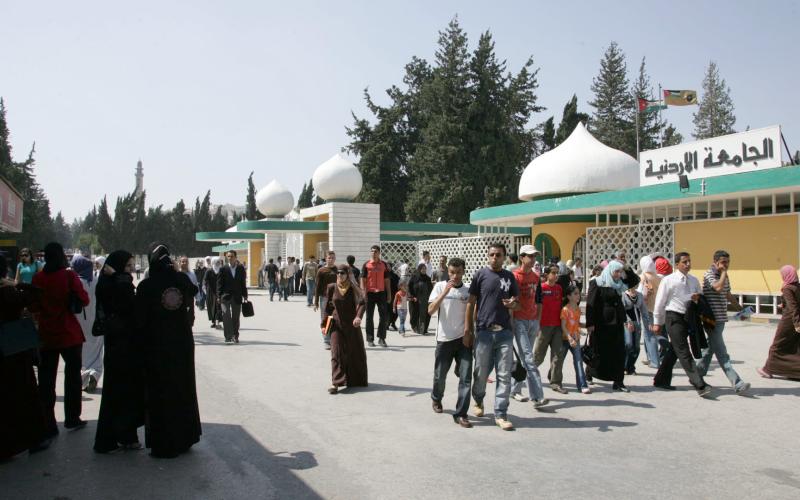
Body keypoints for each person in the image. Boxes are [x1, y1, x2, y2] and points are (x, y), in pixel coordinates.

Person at [135, 244, 201, 458]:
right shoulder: (181, 280)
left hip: (156, 346)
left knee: (160, 391)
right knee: (182, 388)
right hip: (181, 344)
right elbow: (193, 291)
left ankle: (164, 443)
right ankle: (185, 437)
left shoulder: (146, 286)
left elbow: (139, 319)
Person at [32, 242, 90, 436]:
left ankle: (48, 422)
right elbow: (84, 299)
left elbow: (33, 306)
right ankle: (72, 418)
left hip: (46, 333)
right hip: (68, 332)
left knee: (46, 380)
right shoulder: (68, 275)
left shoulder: (38, 278)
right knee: (72, 378)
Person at [93, 250, 145, 453]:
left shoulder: (115, 282)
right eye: (127, 266)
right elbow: (129, 304)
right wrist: (118, 277)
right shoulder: (113, 284)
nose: (130, 270)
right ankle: (113, 438)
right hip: (120, 345)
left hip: (122, 344)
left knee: (124, 392)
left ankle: (125, 436)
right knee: (119, 392)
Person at [0, 255, 51, 458]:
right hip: (14, 350)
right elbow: (37, 294)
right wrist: (15, 284)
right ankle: (34, 439)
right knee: (25, 395)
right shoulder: (8, 293)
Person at [467, 243, 519, 431]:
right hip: (484, 332)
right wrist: (469, 330)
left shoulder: (509, 277)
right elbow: (471, 303)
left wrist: (512, 304)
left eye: (498, 255)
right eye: (492, 254)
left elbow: (516, 303)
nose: (495, 258)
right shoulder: (480, 275)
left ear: (504, 257)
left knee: (504, 375)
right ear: (488, 256)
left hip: (504, 333)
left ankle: (501, 413)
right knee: (481, 373)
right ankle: (478, 399)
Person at [652, 252, 712, 397]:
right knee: (683, 350)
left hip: (688, 317)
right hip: (673, 317)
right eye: (684, 262)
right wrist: (657, 322)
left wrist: (697, 299)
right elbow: (660, 302)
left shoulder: (693, 280)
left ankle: (661, 379)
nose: (688, 264)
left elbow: (700, 297)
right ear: (677, 264)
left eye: (689, 261)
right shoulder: (669, 280)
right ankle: (699, 383)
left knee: (675, 350)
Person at [428, 258, 473, 428]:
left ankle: (461, 414)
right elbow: (430, 310)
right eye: (452, 272)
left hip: (463, 340)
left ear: (463, 272)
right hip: (444, 339)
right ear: (448, 271)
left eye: (458, 272)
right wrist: (445, 292)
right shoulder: (440, 286)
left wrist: (470, 334)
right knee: (440, 375)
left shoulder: (468, 289)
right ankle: (436, 398)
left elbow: (473, 313)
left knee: (466, 378)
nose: (455, 276)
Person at [697, 250, 750, 394]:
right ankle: (737, 383)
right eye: (723, 262)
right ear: (715, 262)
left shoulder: (724, 275)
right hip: (711, 319)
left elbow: (727, 294)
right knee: (722, 352)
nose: (726, 265)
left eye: (728, 262)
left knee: (710, 349)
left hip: (721, 318)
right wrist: (724, 273)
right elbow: (718, 287)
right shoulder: (709, 274)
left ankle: (696, 375)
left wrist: (740, 309)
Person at [509, 245, 549, 407]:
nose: (533, 259)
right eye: (530, 256)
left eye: (534, 256)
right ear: (522, 257)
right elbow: (510, 301)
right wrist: (511, 323)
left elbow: (539, 300)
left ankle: (514, 390)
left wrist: (538, 321)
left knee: (525, 359)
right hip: (519, 321)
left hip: (532, 321)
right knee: (529, 358)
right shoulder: (514, 276)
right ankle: (537, 396)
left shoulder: (536, 277)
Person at [322, 264, 368, 394]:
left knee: (354, 352)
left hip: (352, 325)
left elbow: (362, 303)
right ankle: (335, 383)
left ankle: (354, 379)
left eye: (342, 273)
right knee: (336, 352)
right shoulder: (331, 287)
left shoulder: (354, 288)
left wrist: (358, 317)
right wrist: (324, 325)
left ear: (348, 274)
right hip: (336, 325)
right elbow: (327, 309)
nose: (339, 275)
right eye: (338, 273)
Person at [585, 260, 629, 392]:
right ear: (609, 270)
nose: (618, 274)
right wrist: (590, 323)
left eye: (620, 271)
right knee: (599, 351)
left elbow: (633, 280)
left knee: (619, 352)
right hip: (602, 323)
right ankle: (589, 372)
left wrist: (625, 267)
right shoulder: (597, 282)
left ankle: (618, 381)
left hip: (617, 323)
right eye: (616, 271)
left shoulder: (619, 284)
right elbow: (590, 304)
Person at [758, 265, 800, 379]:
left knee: (777, 346)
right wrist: (783, 304)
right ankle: (794, 372)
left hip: (789, 321)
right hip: (796, 319)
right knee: (793, 346)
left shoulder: (787, 288)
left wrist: (796, 323)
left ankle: (767, 370)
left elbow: (793, 306)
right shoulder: (797, 286)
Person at [533, 265, 567, 394]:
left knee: (558, 356)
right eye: (553, 272)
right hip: (543, 327)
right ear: (547, 274)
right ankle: (525, 377)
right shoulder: (541, 288)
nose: (556, 275)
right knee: (538, 356)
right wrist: (536, 324)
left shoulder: (559, 288)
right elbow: (535, 306)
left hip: (557, 326)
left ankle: (556, 382)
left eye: (557, 273)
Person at [72, 255, 101, 393]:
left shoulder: (75, 282)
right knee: (96, 352)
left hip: (78, 322)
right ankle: (94, 373)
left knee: (81, 352)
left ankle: (83, 377)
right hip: (95, 322)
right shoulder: (96, 280)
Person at [360, 245, 391, 347]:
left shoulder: (384, 265)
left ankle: (382, 338)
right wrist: (363, 293)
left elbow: (387, 280)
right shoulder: (366, 265)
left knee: (384, 316)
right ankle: (370, 339)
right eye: (372, 251)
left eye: (376, 251)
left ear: (379, 253)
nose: (373, 253)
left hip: (381, 293)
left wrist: (389, 294)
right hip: (370, 293)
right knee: (369, 317)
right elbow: (362, 280)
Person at [562, 285, 590, 394]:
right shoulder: (565, 310)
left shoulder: (577, 309)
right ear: (569, 296)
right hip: (565, 339)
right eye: (575, 293)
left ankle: (582, 385)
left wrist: (588, 326)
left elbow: (577, 324)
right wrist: (569, 338)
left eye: (578, 293)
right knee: (559, 361)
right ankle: (553, 377)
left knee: (578, 362)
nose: (578, 296)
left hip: (576, 339)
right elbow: (563, 326)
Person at [217, 250, 247, 343]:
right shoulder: (223, 269)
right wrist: (218, 296)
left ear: (236, 257)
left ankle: (235, 336)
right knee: (226, 316)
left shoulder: (241, 268)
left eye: (232, 256)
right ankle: (228, 336)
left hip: (237, 296)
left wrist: (245, 295)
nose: (230, 258)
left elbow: (243, 283)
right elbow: (219, 283)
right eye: (228, 256)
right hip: (225, 297)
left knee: (236, 318)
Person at [638, 255, 663, 368]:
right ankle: (650, 357)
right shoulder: (658, 277)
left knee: (649, 334)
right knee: (652, 333)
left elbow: (639, 293)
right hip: (657, 308)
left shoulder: (643, 277)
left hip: (647, 308)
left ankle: (654, 361)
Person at [622, 284, 650, 375]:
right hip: (627, 323)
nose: (634, 286)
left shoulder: (640, 295)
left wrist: (648, 324)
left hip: (637, 323)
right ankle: (624, 366)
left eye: (635, 284)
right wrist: (627, 322)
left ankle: (631, 367)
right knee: (628, 344)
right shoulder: (623, 295)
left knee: (636, 347)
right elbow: (621, 311)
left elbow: (644, 310)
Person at [314, 251, 338, 350]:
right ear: (326, 258)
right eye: (329, 258)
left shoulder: (338, 270)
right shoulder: (321, 270)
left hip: (336, 298)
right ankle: (326, 341)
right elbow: (317, 287)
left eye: (332, 258)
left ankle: (334, 339)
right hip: (324, 298)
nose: (331, 259)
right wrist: (316, 302)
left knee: (335, 318)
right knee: (325, 319)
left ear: (335, 259)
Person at [408, 263, 433, 335]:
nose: (424, 270)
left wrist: (430, 298)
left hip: (425, 299)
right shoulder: (414, 278)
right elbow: (409, 287)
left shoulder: (427, 278)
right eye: (422, 269)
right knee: (414, 314)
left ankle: (423, 329)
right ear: (419, 269)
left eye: (425, 269)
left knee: (425, 314)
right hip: (415, 299)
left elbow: (430, 289)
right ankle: (415, 327)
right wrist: (412, 296)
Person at [203, 257, 222, 328]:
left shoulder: (221, 271)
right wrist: (204, 287)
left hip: (219, 292)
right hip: (210, 292)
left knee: (218, 307)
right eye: (216, 262)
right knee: (211, 307)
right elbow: (204, 280)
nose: (218, 263)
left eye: (218, 262)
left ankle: (217, 322)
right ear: (213, 262)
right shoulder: (209, 271)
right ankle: (214, 322)